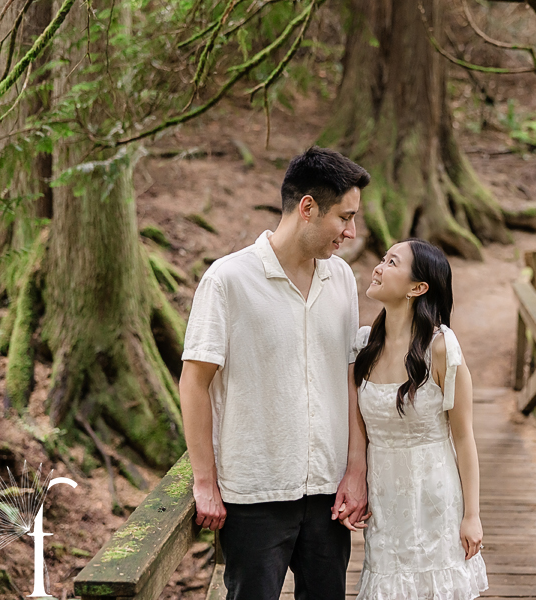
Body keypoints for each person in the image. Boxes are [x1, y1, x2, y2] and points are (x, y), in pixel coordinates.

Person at [179, 146, 371, 600]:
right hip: (253, 493)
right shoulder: (227, 280)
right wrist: (205, 482)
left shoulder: (341, 278)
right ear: (308, 208)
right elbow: (195, 382)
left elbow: (349, 378)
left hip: (328, 492)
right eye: (344, 217)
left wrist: (356, 471)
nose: (352, 231)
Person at [350, 239, 488, 600]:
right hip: (385, 501)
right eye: (383, 259)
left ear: (417, 287)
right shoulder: (364, 345)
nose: (379, 267)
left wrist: (471, 515)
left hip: (435, 498)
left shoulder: (440, 348)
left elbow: (463, 438)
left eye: (392, 262)